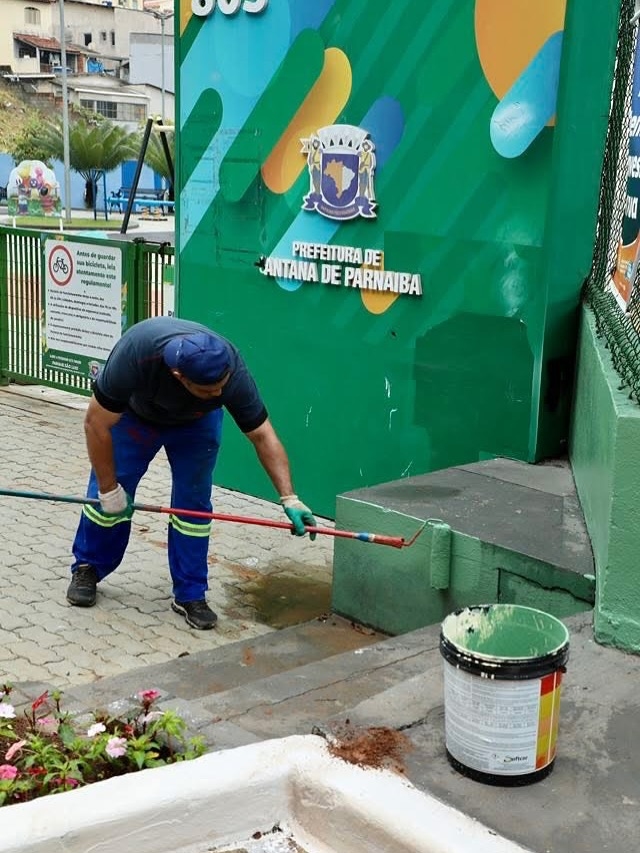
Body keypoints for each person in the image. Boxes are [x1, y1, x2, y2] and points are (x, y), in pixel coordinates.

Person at [66, 316, 317, 630]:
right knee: (109, 499)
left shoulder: (232, 372)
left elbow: (263, 436)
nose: (217, 394)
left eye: (220, 388)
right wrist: (108, 489)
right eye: (207, 390)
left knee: (193, 507)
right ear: (178, 375)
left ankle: (190, 593)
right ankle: (88, 567)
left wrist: (290, 497)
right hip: (135, 419)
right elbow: (96, 424)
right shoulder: (136, 352)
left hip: (196, 426)